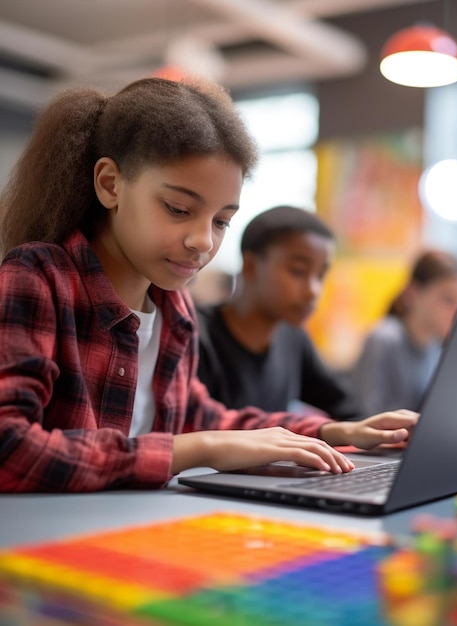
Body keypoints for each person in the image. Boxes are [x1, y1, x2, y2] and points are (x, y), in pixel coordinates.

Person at [0, 77, 417, 493]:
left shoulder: (173, 307)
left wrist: (331, 431)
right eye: (178, 208)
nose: (204, 241)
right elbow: (10, 447)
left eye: (221, 221)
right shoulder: (38, 277)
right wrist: (195, 449)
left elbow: (204, 419)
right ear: (110, 184)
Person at [196, 205, 361, 420]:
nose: (314, 291)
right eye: (298, 272)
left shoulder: (292, 338)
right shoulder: (198, 336)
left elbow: (348, 408)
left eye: (320, 275)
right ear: (251, 266)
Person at [351, 249, 457, 416]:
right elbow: (364, 415)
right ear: (413, 293)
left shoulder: (436, 348)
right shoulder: (383, 339)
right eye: (448, 300)